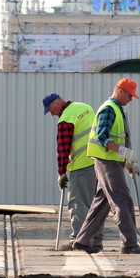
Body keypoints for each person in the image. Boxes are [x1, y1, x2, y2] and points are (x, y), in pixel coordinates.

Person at [71, 78, 140, 255]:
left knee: (102, 203)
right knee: (122, 200)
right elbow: (102, 138)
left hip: (111, 161)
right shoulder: (109, 109)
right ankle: (129, 244)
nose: (131, 99)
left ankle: (82, 241)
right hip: (108, 162)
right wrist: (124, 153)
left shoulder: (117, 109)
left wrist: (126, 159)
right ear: (120, 91)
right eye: (129, 95)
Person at [43, 93, 101, 251]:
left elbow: (63, 150)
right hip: (99, 162)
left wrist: (62, 173)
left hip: (82, 165)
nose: (52, 114)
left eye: (50, 110)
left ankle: (79, 239)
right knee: (96, 204)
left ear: (57, 103)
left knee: (78, 203)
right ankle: (95, 240)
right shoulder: (85, 107)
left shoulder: (65, 119)